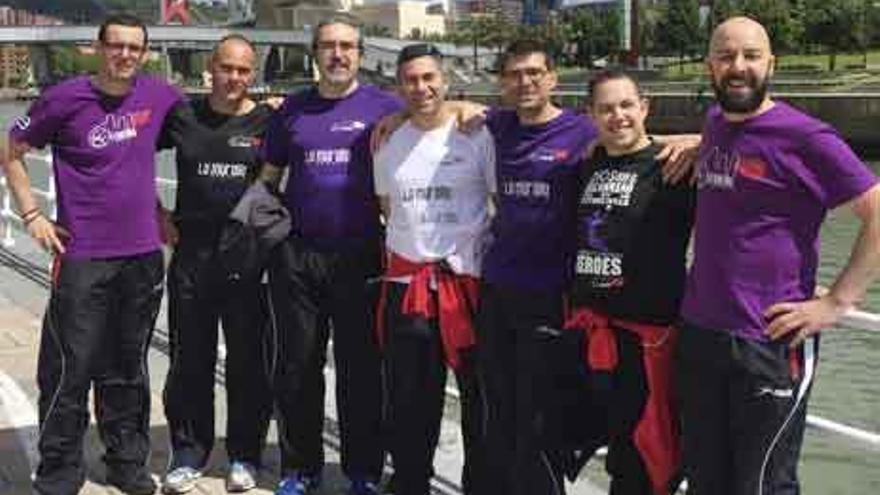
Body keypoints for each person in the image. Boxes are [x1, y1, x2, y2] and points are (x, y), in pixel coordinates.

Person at [678, 17, 880, 495]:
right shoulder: (712, 126)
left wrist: (836, 302)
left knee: (765, 484)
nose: (738, 67)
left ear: (772, 64)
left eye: (750, 56)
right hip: (701, 333)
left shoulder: (807, 137)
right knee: (705, 478)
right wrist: (683, 144)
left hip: (769, 340)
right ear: (710, 67)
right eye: (726, 57)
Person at [4, 14, 183, 495]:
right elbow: (13, 148)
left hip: (144, 254)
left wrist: (161, 208)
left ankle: (126, 461)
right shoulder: (65, 99)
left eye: (134, 48)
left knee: (129, 365)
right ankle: (59, 469)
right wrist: (31, 215)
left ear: (143, 54)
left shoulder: (159, 96)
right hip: (82, 255)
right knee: (69, 366)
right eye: (116, 46)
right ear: (97, 48)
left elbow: (211, 123)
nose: (125, 55)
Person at [258, 17, 402, 495]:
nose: (338, 54)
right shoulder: (292, 110)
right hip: (297, 258)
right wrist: (251, 246)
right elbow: (268, 178)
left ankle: (362, 470)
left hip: (362, 255)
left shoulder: (387, 107)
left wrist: (464, 106)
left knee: (362, 369)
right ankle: (300, 468)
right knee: (297, 365)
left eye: (347, 46)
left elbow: (439, 120)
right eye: (328, 47)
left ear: (360, 53)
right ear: (314, 53)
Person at [373, 43, 495, 495]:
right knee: (409, 402)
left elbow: (499, 203)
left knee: (479, 404)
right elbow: (387, 207)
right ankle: (410, 483)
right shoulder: (387, 140)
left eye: (429, 78)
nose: (421, 87)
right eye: (411, 80)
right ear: (399, 86)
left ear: (445, 80)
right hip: (408, 289)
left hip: (470, 288)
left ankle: (480, 485)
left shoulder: (478, 134)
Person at [565, 70, 694, 495]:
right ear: (591, 115)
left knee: (649, 459)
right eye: (605, 108)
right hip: (594, 337)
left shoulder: (674, 167)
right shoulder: (590, 163)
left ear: (645, 107)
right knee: (612, 452)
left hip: (648, 341)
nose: (617, 116)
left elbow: (737, 227)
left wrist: (703, 140)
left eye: (626, 105)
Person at [157, 34, 274, 494]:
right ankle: (189, 453)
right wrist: (155, 212)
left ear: (254, 74)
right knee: (190, 361)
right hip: (191, 258)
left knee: (248, 362)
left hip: (245, 262)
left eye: (244, 70)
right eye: (227, 68)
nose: (235, 78)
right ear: (211, 68)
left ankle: (245, 454)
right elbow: (124, 159)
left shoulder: (269, 119)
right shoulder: (182, 116)